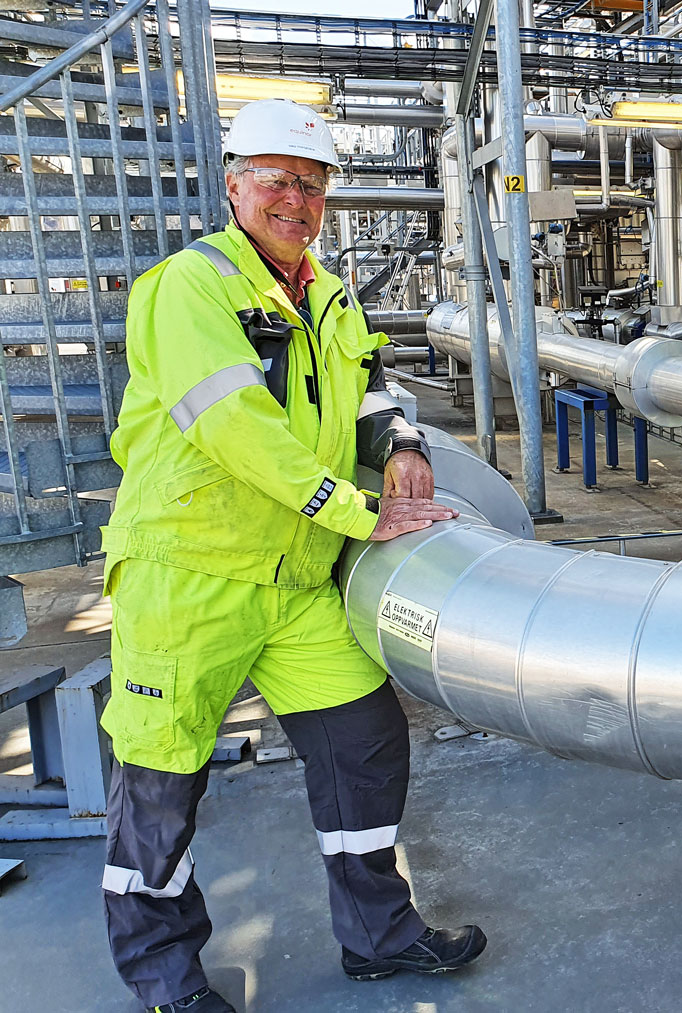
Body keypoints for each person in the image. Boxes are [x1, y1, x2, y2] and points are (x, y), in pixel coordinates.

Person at [98, 99, 485, 1013]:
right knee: (159, 790)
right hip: (189, 579)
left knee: (363, 743)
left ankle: (380, 936)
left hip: (296, 583)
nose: (296, 199)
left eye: (312, 184)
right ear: (234, 184)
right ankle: (166, 984)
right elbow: (236, 426)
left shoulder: (328, 291)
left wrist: (400, 447)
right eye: (276, 179)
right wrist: (354, 510)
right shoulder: (189, 287)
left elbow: (369, 386)